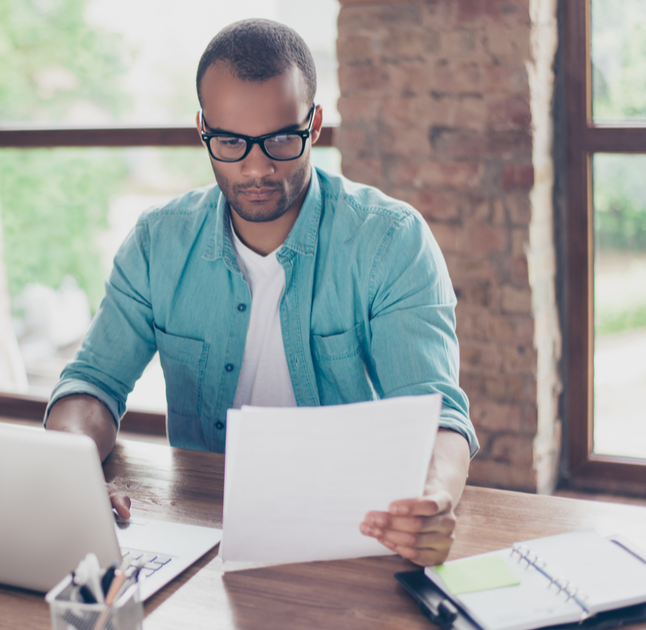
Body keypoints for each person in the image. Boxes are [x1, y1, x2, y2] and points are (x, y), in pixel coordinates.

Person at [45, 18, 478, 567]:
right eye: (229, 141)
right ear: (202, 129)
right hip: (203, 532)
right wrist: (69, 472)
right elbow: (92, 384)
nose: (255, 167)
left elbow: (436, 412)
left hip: (353, 534)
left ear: (314, 124)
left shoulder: (390, 241)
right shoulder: (159, 242)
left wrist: (434, 498)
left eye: (279, 139)